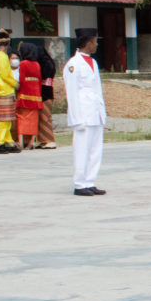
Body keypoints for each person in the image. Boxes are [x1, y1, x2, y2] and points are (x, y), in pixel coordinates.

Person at [65, 30, 107, 195]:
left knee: (95, 149)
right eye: (95, 41)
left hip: (95, 112)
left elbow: (97, 89)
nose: (97, 44)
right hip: (82, 113)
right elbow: (71, 92)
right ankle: (79, 184)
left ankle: (90, 181)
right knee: (82, 149)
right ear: (89, 43)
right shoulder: (73, 64)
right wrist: (76, 118)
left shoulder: (93, 63)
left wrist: (102, 112)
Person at [0, 35, 20, 153]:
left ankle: (8, 142)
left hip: (4, 91)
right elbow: (5, 75)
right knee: (1, 119)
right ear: (8, 44)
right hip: (3, 91)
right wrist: (15, 83)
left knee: (6, 119)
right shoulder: (1, 57)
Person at [15, 41, 44, 147]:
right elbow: (39, 80)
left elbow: (21, 79)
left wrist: (18, 90)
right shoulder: (37, 64)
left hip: (25, 91)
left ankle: (20, 141)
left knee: (21, 116)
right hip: (35, 92)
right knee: (33, 118)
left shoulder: (23, 63)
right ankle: (32, 141)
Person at [35, 41, 58, 147]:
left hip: (46, 91)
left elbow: (44, 75)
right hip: (46, 90)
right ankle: (43, 140)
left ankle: (49, 140)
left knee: (45, 116)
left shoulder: (47, 63)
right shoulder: (48, 61)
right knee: (42, 116)